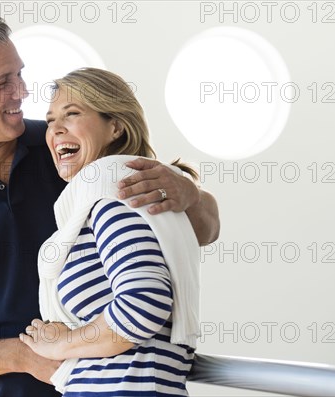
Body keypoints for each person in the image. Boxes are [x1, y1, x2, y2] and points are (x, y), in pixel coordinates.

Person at [0, 12, 220, 397]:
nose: (22, 91)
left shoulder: (70, 148)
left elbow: (202, 229)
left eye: (20, 74)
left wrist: (190, 195)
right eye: (3, 81)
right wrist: (24, 355)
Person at [19, 68, 203, 396]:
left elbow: (143, 303)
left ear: (115, 126)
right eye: (50, 120)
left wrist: (64, 344)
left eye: (72, 114)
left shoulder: (112, 194)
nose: (55, 129)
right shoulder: (109, 196)